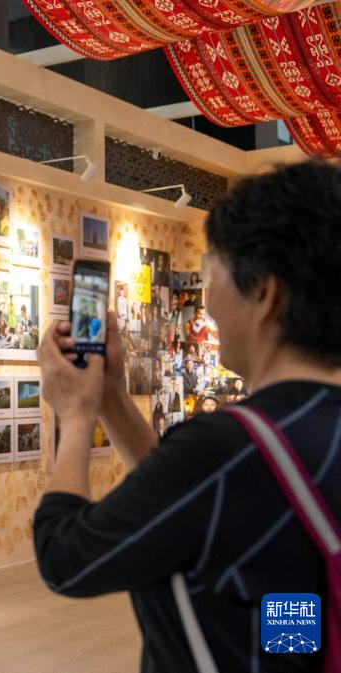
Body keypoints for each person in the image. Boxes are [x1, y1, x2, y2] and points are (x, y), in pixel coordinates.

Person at [33, 160, 341, 673]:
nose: (209, 301)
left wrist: (77, 412)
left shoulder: (228, 448)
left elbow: (66, 557)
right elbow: (201, 503)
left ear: (265, 292)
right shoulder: (287, 440)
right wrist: (111, 397)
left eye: (213, 272)